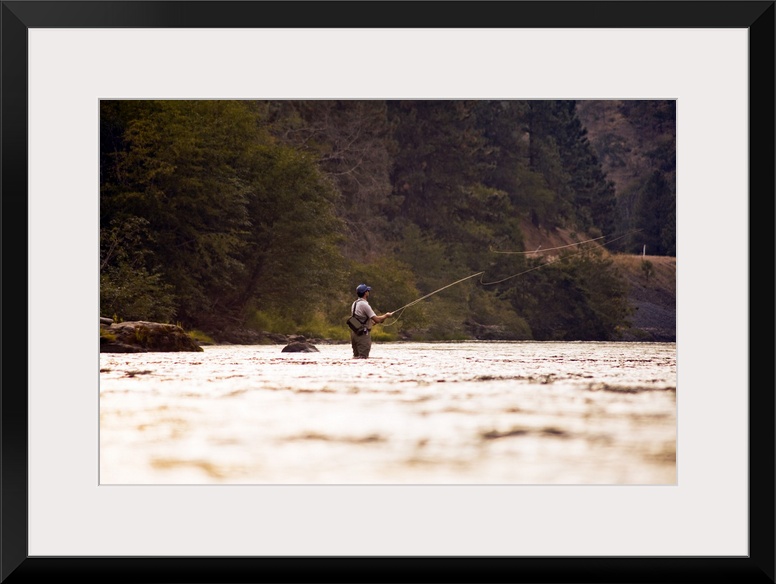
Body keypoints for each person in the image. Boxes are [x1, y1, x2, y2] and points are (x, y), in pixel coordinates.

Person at [350, 284, 393, 359]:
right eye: (368, 291)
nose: (368, 292)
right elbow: (377, 319)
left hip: (354, 334)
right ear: (365, 293)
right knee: (363, 358)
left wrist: (372, 323)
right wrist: (386, 315)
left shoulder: (355, 303)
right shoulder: (364, 305)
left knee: (356, 358)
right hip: (363, 335)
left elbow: (360, 320)